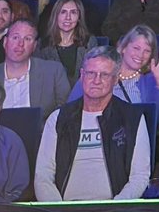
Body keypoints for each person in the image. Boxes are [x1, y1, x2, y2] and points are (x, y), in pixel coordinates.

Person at [35, 46, 152, 201]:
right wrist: (60, 209)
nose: (96, 80)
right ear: (82, 75)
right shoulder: (59, 118)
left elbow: (140, 177)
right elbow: (43, 176)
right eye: (91, 73)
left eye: (104, 74)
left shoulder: (132, 118)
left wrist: (115, 208)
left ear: (115, 79)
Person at [69, 25, 159, 126]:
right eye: (136, 48)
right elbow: (70, 109)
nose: (140, 55)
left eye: (147, 51)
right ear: (123, 48)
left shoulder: (150, 80)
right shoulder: (97, 72)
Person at [0, 19, 70, 119]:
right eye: (15, 37)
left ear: (34, 46)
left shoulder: (53, 72)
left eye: (27, 39)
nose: (20, 44)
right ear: (5, 42)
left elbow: (67, 111)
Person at [38, 0, 100, 83]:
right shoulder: (43, 44)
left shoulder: (89, 42)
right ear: (56, 16)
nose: (68, 17)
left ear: (79, 17)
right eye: (63, 12)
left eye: (73, 13)